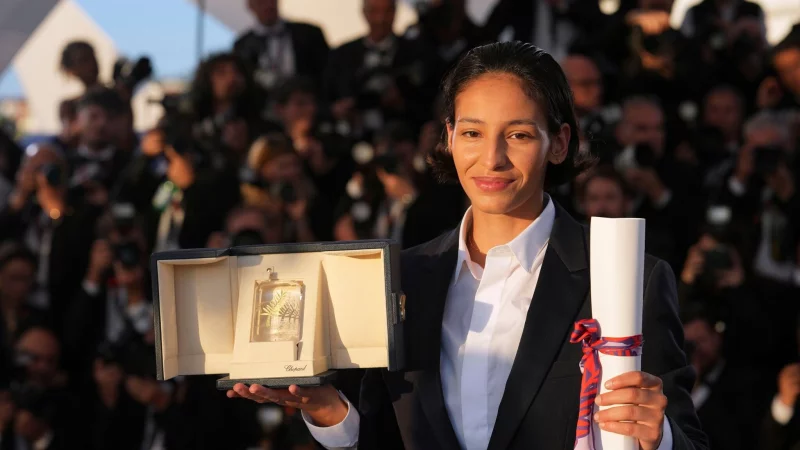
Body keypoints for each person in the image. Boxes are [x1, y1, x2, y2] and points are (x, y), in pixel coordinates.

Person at [228, 42, 707, 449]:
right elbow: (386, 436)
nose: (492, 158)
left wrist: (656, 435)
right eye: (473, 133)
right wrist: (328, 409)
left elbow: (687, 438)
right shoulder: (403, 278)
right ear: (450, 138)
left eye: (518, 134)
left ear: (559, 143)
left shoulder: (627, 278)